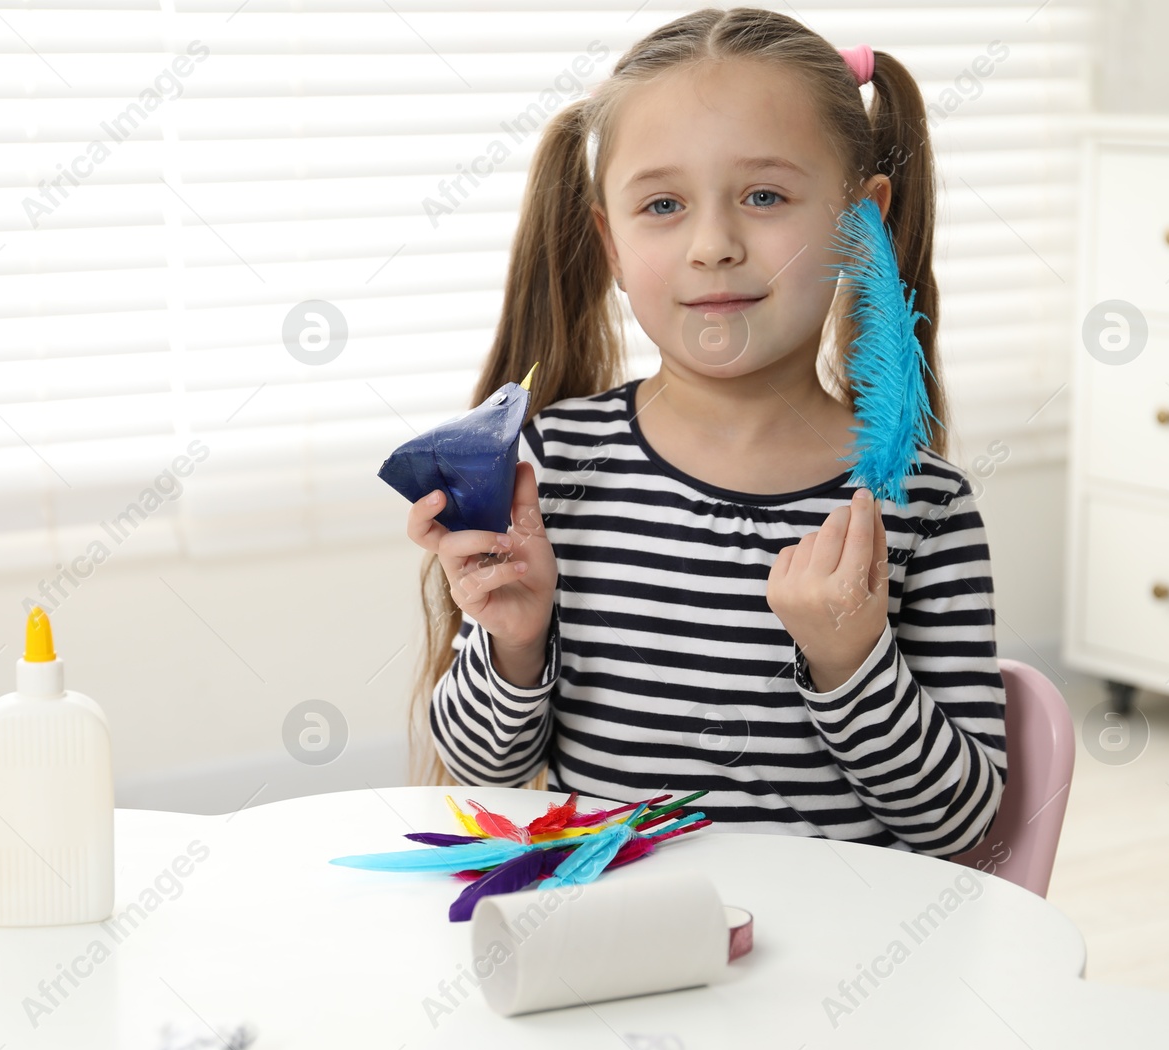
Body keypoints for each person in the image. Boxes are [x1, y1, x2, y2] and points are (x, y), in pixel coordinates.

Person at [403, 7, 1006, 857]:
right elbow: (479, 768)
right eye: (663, 204)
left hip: (839, 968)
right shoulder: (553, 468)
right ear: (609, 240)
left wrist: (851, 662)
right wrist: (515, 638)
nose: (714, 245)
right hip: (621, 952)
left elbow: (959, 822)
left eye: (765, 196)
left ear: (858, 222)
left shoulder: (922, 505)